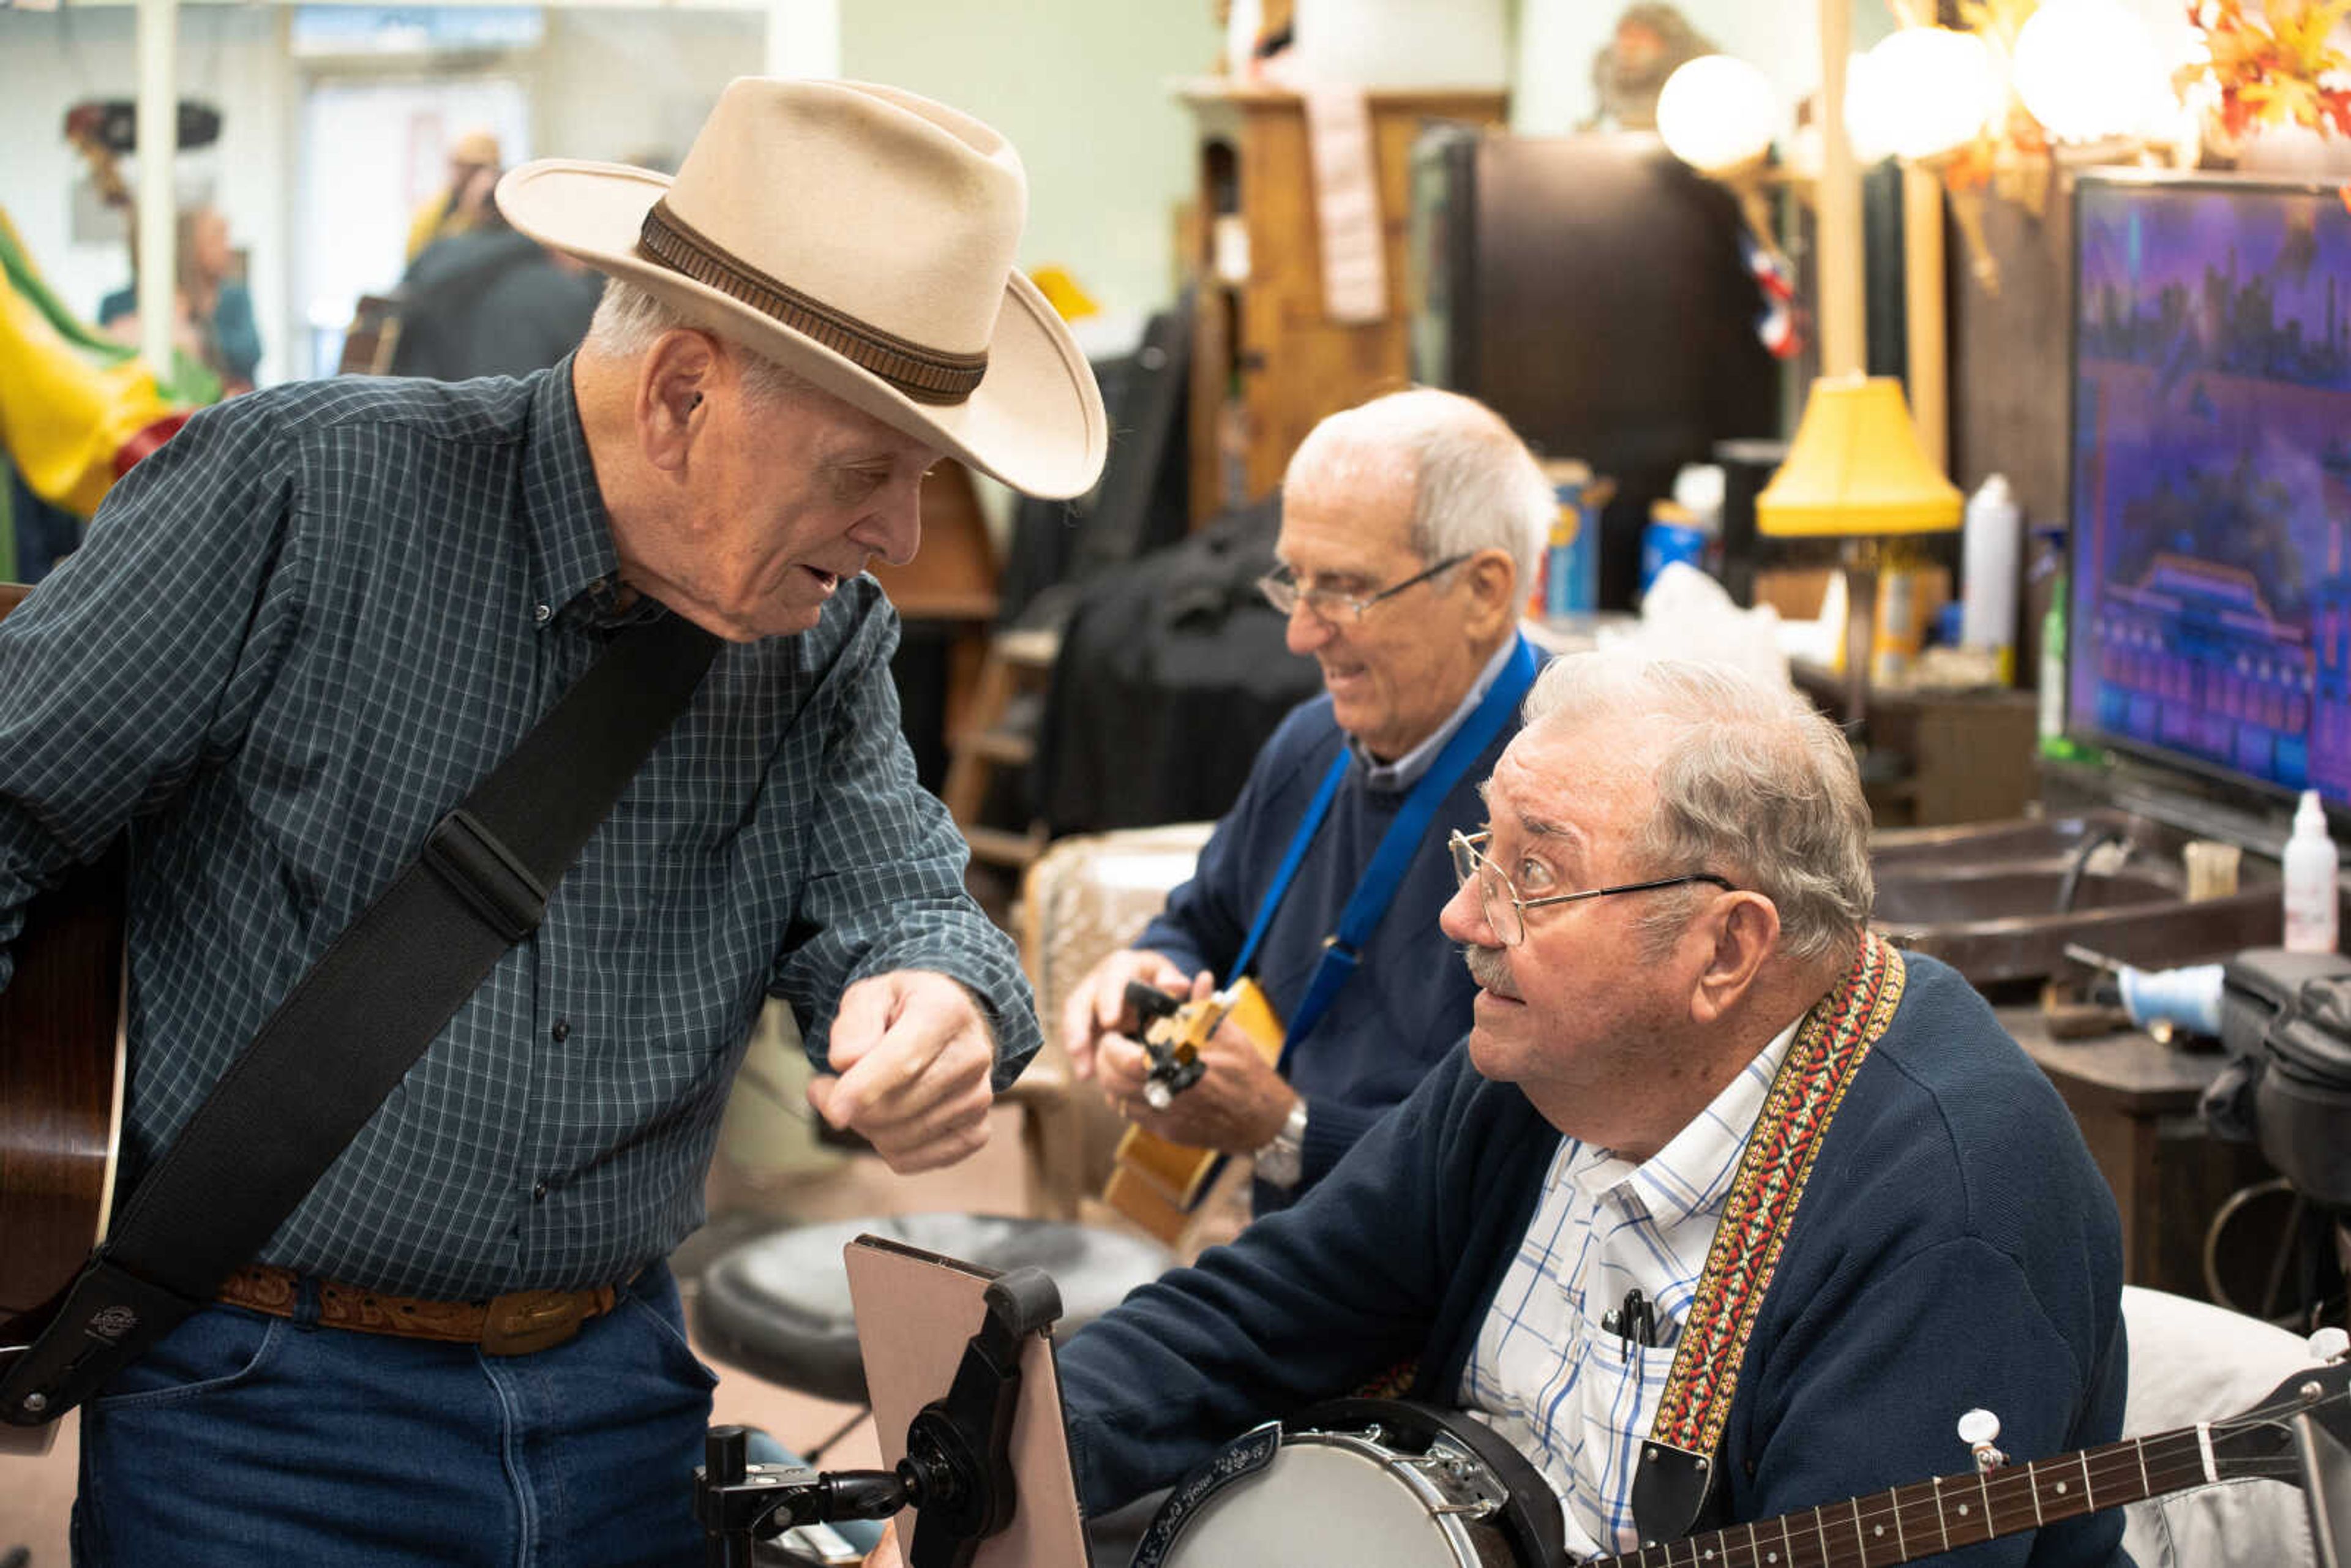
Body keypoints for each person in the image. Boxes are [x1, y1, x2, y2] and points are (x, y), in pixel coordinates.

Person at [0, 77, 1103, 1567]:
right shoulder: (298, 493)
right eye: (866, 471)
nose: (899, 535)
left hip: (622, 1400)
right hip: (257, 1409)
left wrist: (938, 998)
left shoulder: (819, 638)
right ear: (682, 394)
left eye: (924, 478)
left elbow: (900, 898)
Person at [1038, 656, 2131, 1567]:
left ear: (1727, 950)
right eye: (1485, 851)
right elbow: (1251, 1322)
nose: (1463, 914)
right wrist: (996, 1466)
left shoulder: (1955, 1212)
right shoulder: (1543, 1062)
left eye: (1535, 873)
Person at [1061, 388, 1553, 1220]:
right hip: (1292, 1246)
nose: (1299, 634)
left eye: (1347, 590)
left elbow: (1526, 1174)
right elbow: (1205, 919)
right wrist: (1153, 971)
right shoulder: (1310, 743)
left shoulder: (1569, 809)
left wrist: (1286, 1126)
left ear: (1483, 591)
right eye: (1297, 581)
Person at [389, 190, 604, 381]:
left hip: (427, 413)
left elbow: (391, 319)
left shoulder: (434, 255)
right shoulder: (565, 292)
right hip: (514, 423)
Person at [99, 204, 262, 394]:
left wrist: (192, 336)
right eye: (216, 238)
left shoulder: (235, 297)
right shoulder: (116, 304)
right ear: (188, 245)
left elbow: (250, 353)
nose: (227, 248)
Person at [404, 127, 504, 264]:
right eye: (460, 166)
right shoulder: (436, 208)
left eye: (475, 168)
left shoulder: (502, 206)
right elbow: (419, 258)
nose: (462, 173)